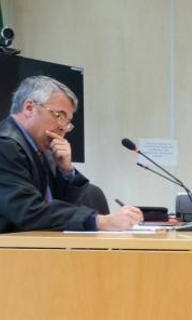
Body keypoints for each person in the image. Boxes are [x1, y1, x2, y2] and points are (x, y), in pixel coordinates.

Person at [0, 76, 142, 233]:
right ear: (29, 108)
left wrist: (66, 171)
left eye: (67, 122)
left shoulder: (43, 149)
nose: (63, 128)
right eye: (59, 116)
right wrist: (99, 220)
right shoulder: (5, 145)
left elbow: (63, 206)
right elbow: (28, 210)